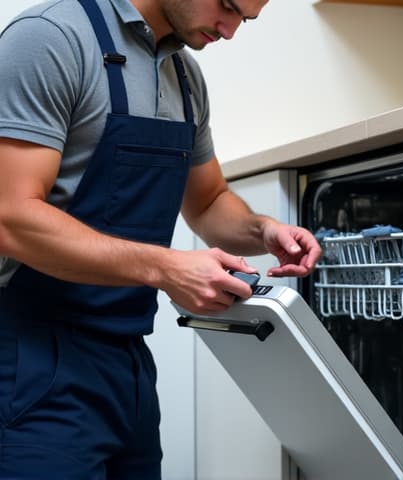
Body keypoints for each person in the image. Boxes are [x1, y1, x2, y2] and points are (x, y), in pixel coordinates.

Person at [0, 0, 322, 478]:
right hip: (32, 357)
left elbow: (208, 201)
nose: (230, 31)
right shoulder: (50, 39)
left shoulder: (185, 76)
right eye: (228, 6)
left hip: (127, 363)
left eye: (245, 20)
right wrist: (166, 268)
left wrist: (264, 230)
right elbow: (11, 217)